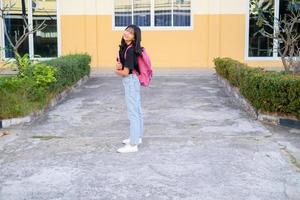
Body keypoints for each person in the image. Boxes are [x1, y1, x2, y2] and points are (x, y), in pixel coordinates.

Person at [114, 24, 144, 153]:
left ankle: (133, 145)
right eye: (126, 30)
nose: (127, 33)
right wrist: (120, 66)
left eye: (131, 33)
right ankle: (137, 138)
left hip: (131, 81)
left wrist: (116, 70)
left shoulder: (130, 50)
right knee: (137, 110)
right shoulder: (126, 48)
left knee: (133, 113)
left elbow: (125, 72)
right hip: (133, 81)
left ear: (134, 37)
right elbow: (125, 68)